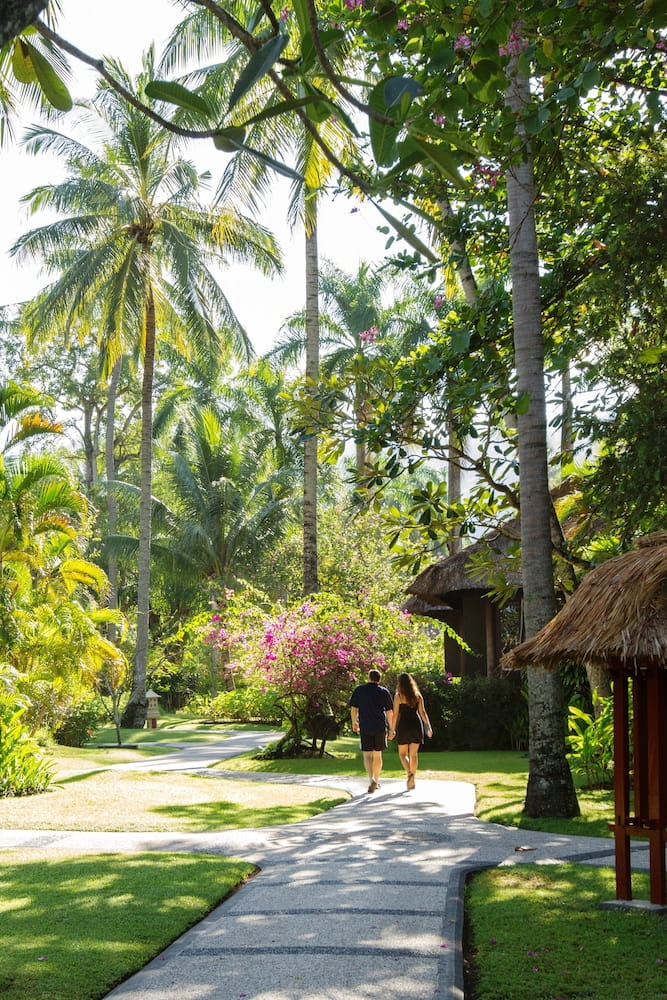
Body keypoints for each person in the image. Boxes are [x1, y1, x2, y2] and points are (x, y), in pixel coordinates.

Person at [348, 668, 394, 793]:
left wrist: (354, 722)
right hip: (379, 726)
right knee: (378, 754)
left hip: (365, 725)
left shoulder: (360, 690)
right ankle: (377, 780)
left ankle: (371, 779)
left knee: (367, 754)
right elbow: (390, 712)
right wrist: (392, 728)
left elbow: (354, 708)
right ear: (379, 680)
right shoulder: (384, 691)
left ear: (369, 678)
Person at [389, 672, 432, 790]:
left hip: (404, 726)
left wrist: (392, 730)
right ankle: (412, 780)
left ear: (400, 684)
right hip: (416, 725)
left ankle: (410, 774)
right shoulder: (418, 695)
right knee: (413, 755)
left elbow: (396, 714)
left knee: (402, 754)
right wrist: (428, 727)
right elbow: (423, 713)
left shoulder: (398, 696)